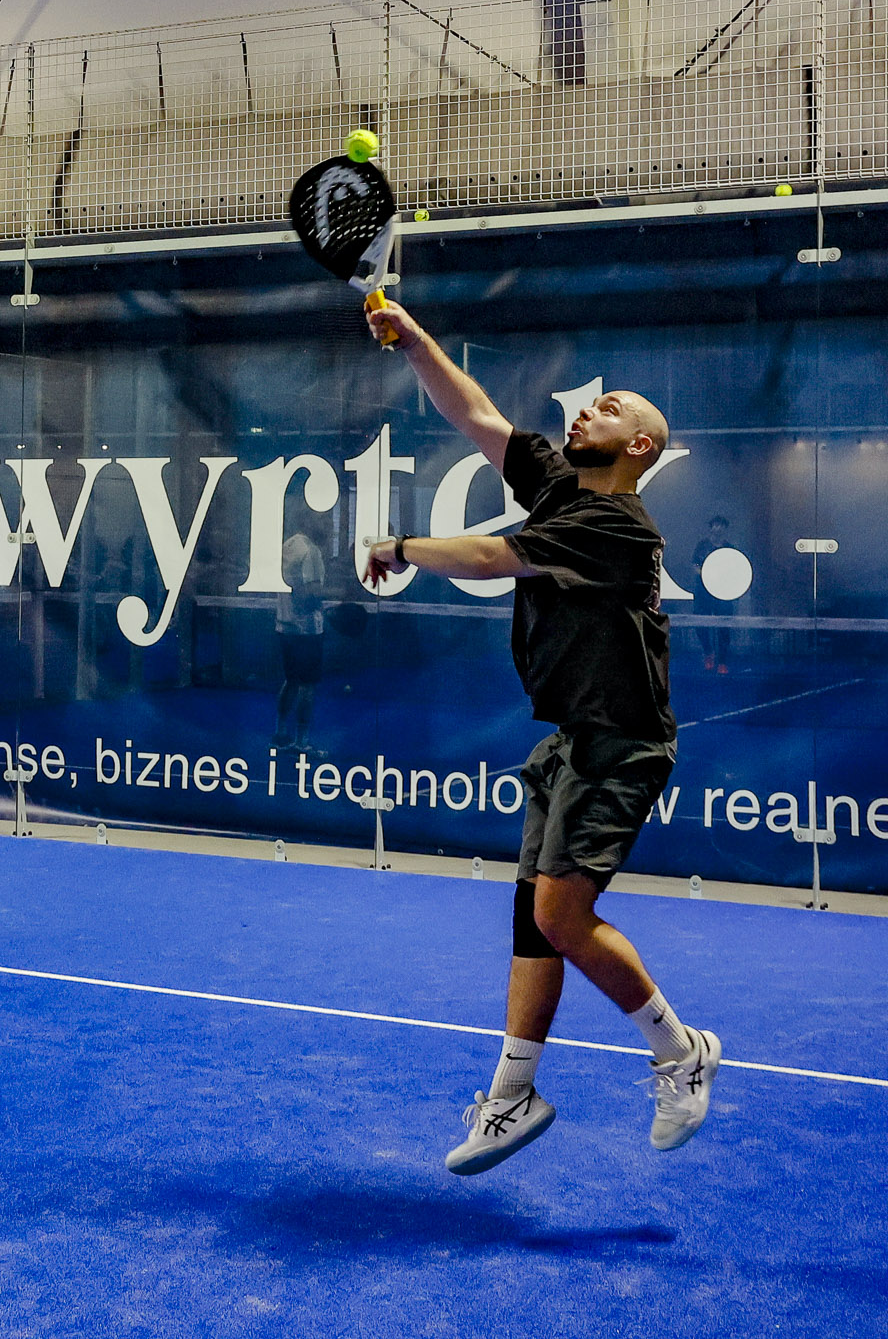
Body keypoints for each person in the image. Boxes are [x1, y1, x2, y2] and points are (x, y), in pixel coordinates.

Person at [361, 299, 719, 1173]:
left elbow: (492, 558)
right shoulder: (561, 482)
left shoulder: (618, 526)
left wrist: (404, 545)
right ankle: (512, 1093)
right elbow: (474, 413)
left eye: (610, 408)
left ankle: (681, 1051)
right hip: (566, 741)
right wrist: (413, 341)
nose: (586, 409)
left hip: (621, 742)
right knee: (535, 918)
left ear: (639, 446)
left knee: (561, 912)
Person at [273, 526, 326, 752]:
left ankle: (281, 733)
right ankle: (301, 742)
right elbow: (309, 592)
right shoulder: (310, 550)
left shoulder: (288, 546)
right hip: (307, 630)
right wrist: (338, 593)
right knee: (306, 686)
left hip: (285, 627)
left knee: (291, 680)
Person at [691, 515, 735, 674]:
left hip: (723, 594)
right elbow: (695, 565)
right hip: (703, 592)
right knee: (700, 624)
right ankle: (708, 652)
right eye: (715, 525)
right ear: (711, 527)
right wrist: (706, 576)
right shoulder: (702, 546)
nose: (718, 528)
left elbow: (734, 569)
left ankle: (722, 662)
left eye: (721, 525)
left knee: (723, 627)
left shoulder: (729, 548)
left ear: (725, 528)